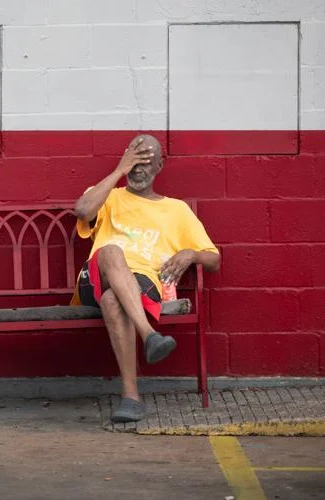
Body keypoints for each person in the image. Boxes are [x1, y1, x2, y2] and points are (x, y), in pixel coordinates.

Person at [71, 135, 220, 423]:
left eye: (146, 161)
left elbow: (214, 259)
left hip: (142, 285)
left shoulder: (176, 210)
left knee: (114, 299)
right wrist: (118, 171)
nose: (139, 169)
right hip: (95, 278)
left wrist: (191, 254)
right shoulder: (109, 195)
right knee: (111, 251)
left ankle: (131, 398)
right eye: (134, 161)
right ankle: (149, 335)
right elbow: (82, 210)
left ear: (160, 165)